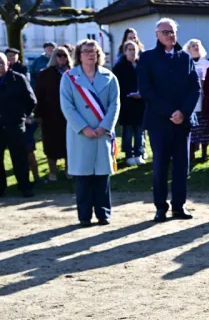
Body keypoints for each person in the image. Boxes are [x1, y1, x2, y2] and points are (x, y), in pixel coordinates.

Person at [137, 18, 200, 223]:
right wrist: (170, 112)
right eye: (165, 32)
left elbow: (195, 88)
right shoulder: (147, 58)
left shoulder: (185, 57)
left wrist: (183, 112)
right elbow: (146, 90)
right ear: (157, 35)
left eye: (172, 32)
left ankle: (179, 206)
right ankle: (160, 207)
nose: (170, 35)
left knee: (182, 166)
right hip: (159, 122)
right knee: (161, 167)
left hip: (183, 122)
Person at [59, 39, 120, 226]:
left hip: (102, 133)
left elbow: (115, 105)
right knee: (83, 177)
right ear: (79, 55)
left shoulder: (110, 77)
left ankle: (103, 214)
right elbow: (67, 106)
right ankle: (84, 216)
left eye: (94, 51)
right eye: (86, 51)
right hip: (80, 134)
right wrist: (84, 128)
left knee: (102, 176)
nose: (90, 54)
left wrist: (104, 126)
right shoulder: (69, 77)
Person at [0, 52, 36, 198]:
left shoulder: (18, 79)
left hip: (15, 124)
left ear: (8, 64)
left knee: (19, 158)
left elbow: (31, 100)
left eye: (1, 63)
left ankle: (24, 187)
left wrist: (23, 116)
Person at [34, 46, 71, 181]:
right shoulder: (45, 74)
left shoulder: (73, 73)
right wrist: (38, 115)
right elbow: (38, 96)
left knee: (69, 144)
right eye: (59, 55)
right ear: (54, 57)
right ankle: (52, 172)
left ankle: (69, 170)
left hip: (68, 116)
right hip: (50, 115)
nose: (62, 57)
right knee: (51, 145)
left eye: (65, 55)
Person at [114, 41, 146, 166]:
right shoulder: (119, 67)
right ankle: (128, 154)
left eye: (134, 49)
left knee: (140, 130)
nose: (132, 52)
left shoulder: (142, 65)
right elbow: (116, 86)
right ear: (125, 51)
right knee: (127, 130)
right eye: (130, 49)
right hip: (126, 104)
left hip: (140, 103)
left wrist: (142, 93)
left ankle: (139, 153)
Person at [185, 39, 209, 163]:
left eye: (197, 45)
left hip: (204, 97)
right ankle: (191, 152)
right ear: (188, 49)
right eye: (192, 46)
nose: (195, 48)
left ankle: (204, 153)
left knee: (204, 125)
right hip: (191, 98)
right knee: (192, 127)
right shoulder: (186, 62)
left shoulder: (206, 63)